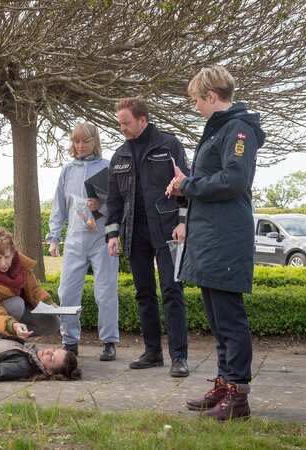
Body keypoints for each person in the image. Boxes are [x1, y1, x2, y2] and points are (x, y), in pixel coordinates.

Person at [166, 66, 265, 420]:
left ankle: (238, 395)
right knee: (216, 318)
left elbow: (234, 179)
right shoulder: (219, 130)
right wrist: (184, 186)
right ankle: (225, 385)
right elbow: (211, 180)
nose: (195, 107)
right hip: (211, 236)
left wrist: (189, 185)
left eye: (196, 100)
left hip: (224, 237)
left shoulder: (238, 129)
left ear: (211, 96)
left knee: (229, 318)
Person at [105, 96, 190, 377]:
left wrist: (182, 222)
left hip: (167, 231)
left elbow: (186, 184)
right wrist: (112, 235)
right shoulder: (119, 156)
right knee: (144, 293)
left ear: (143, 120)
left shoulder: (169, 145)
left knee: (171, 292)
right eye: (120, 124)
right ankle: (152, 352)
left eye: (126, 123)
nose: (123, 128)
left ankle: (179, 357)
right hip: (135, 234)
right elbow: (114, 201)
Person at [46, 122, 119, 360]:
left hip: (102, 238)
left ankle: (108, 341)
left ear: (95, 142)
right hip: (75, 239)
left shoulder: (108, 168)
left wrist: (102, 206)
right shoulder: (67, 171)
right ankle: (70, 340)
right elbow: (59, 205)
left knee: (105, 291)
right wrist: (54, 237)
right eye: (76, 141)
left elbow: (119, 205)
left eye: (85, 141)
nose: (80, 146)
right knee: (66, 291)